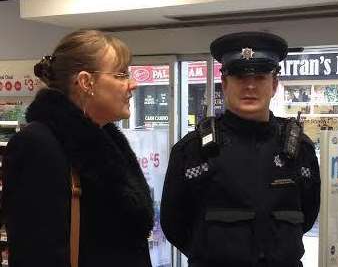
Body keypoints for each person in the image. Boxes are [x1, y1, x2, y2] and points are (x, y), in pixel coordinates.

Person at [161, 32, 320, 267]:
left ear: (274, 84)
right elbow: (174, 224)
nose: (250, 86)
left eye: (260, 77)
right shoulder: (192, 150)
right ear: (224, 84)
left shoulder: (300, 150)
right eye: (239, 77)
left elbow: (306, 216)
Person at [4, 30, 154, 267]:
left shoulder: (106, 140)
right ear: (86, 82)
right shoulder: (39, 144)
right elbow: (35, 250)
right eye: (121, 74)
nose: (133, 84)